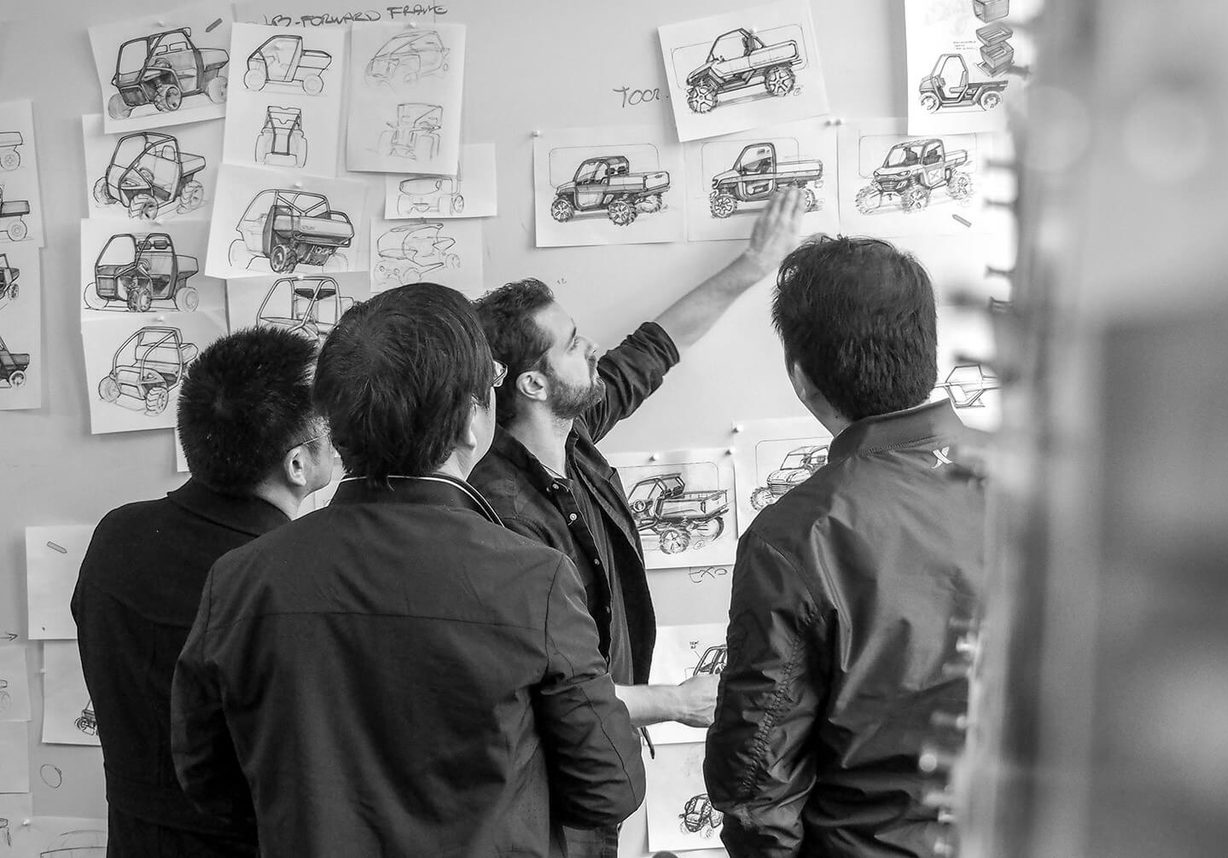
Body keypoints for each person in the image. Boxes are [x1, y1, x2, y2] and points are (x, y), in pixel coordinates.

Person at [170, 284, 644, 858]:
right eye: (492, 382)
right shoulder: (533, 580)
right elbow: (608, 788)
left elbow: (208, 780)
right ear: (469, 422)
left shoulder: (240, 580)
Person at [470, 188, 805, 857]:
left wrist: (753, 264)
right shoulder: (500, 516)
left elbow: (657, 346)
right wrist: (674, 701)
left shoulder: (573, 436)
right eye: (573, 344)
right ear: (533, 384)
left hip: (599, 765)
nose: (592, 346)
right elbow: (541, 690)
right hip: (549, 795)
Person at [703, 237, 986, 857]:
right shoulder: (1056, 485)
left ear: (801, 379)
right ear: (929, 349)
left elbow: (758, 778)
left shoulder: (797, 534)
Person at [72, 327, 334, 858]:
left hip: (134, 841)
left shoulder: (116, 536)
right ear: (297, 464)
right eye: (329, 425)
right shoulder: (292, 574)